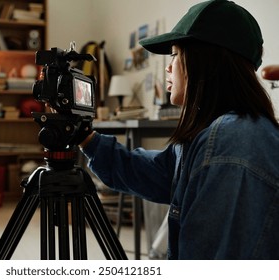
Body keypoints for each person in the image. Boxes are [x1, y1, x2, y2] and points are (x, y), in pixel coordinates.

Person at [78, 0, 279, 259]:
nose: (168, 67)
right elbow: (158, 173)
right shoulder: (213, 134)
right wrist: (86, 139)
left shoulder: (234, 140)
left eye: (174, 54)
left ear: (206, 60)